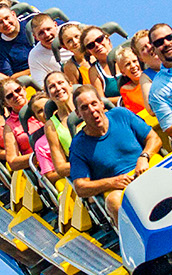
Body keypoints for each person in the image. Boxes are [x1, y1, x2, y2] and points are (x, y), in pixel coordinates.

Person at [69, 85, 162, 225]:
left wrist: (145, 157)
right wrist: (112, 182)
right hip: (118, 187)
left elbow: (154, 138)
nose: (92, 110)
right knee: (114, 201)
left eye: (94, 103)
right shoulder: (78, 145)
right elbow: (80, 187)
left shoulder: (121, 115)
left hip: (146, 167)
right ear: (78, 114)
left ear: (101, 103)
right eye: (84, 108)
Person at [27, 13, 77, 85]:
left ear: (55, 25)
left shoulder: (72, 30)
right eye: (41, 33)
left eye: (48, 29)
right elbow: (41, 85)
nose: (47, 35)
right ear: (35, 37)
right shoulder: (35, 56)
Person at [0, 1, 33, 75]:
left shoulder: (32, 21)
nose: (5, 23)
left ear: (13, 15)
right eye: (0, 22)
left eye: (7, 18)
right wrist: (36, 68)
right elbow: (9, 78)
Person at [82, 27, 121, 106]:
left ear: (107, 40)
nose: (97, 45)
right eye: (91, 45)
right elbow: (101, 101)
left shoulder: (127, 54)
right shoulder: (94, 71)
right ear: (89, 51)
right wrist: (123, 99)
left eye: (99, 39)